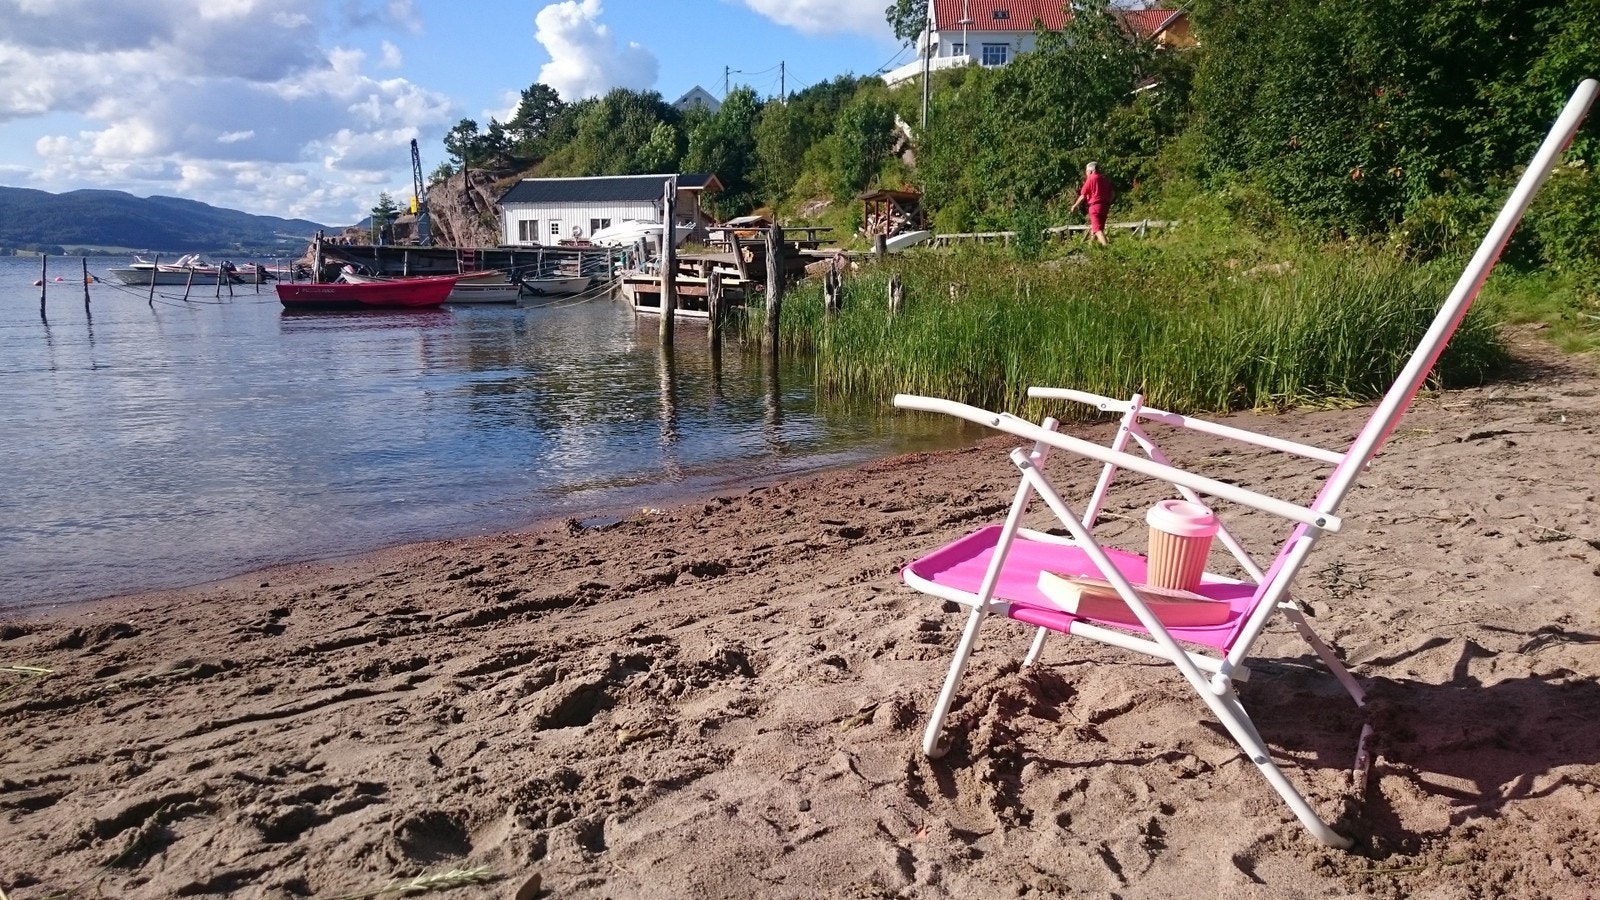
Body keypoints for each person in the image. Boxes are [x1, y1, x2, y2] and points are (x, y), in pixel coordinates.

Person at [1069, 162, 1114, 246]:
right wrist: (1108, 202)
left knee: (1097, 230)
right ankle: (1090, 248)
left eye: (1086, 172)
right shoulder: (1104, 179)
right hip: (1105, 206)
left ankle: (1107, 248)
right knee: (1095, 228)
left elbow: (1083, 195)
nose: (1086, 174)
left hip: (1095, 206)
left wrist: (1075, 205)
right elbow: (1112, 193)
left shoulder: (1091, 178)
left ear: (1090, 171)